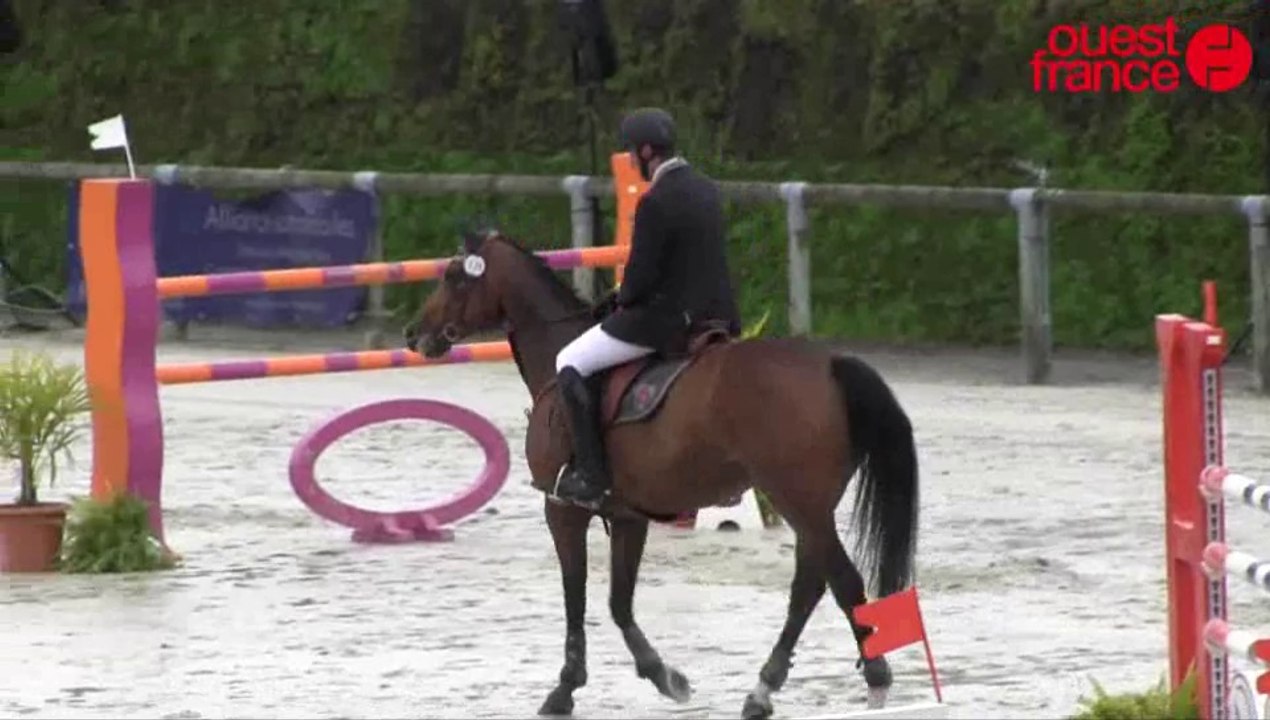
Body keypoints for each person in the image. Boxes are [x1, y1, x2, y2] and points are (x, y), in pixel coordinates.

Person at [550, 107, 742, 510]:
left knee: (570, 361)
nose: (631, 161)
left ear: (647, 151)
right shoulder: (707, 189)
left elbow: (639, 280)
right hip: (720, 316)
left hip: (666, 323)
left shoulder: (656, 201)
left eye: (631, 153)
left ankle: (592, 475)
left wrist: (620, 299)